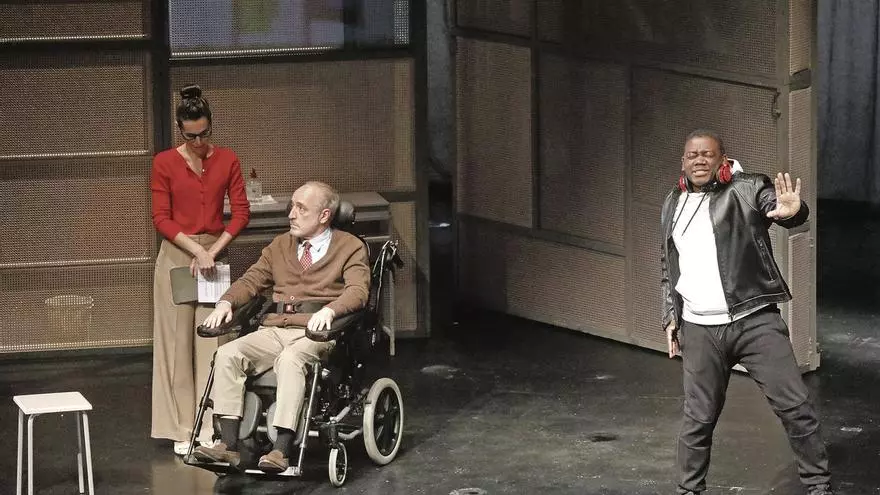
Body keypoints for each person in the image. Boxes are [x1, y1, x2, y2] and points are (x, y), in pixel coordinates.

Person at [661, 130, 833, 495]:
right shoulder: (673, 202)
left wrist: (794, 211)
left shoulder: (748, 188)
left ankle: (818, 485)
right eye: (692, 155)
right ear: (683, 162)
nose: (700, 160)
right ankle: (689, 490)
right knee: (698, 419)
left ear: (723, 160)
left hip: (754, 321)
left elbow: (781, 209)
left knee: (795, 407)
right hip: (699, 328)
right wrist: (671, 315)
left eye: (708, 154)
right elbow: (669, 264)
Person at [192, 181, 370, 472]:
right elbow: (251, 280)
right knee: (227, 354)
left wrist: (331, 309)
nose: (291, 214)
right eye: (292, 207)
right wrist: (226, 303)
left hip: (317, 332)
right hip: (275, 329)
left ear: (324, 216)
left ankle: (281, 450)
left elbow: (358, 291)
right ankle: (227, 445)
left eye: (301, 208)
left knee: (290, 359)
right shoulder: (280, 245)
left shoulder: (350, 247)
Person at [150, 85, 250, 455]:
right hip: (178, 255)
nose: (198, 142)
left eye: (204, 134)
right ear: (180, 130)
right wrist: (195, 250)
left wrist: (211, 252)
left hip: (213, 254)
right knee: (176, 344)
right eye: (190, 136)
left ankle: (210, 425)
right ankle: (181, 427)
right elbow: (161, 217)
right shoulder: (164, 163)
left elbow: (241, 213)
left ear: (211, 127)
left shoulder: (227, 159)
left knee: (212, 338)